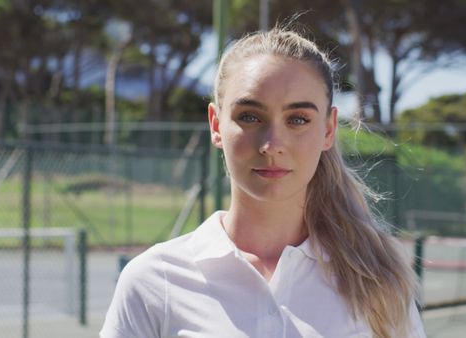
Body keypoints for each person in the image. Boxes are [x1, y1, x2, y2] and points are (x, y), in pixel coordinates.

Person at [100, 27, 426, 338]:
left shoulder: (379, 280)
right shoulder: (154, 280)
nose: (272, 144)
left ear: (328, 130)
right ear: (216, 124)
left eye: (298, 119)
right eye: (250, 117)